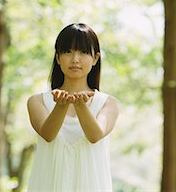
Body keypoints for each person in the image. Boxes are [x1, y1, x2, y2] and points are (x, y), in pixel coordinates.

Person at [26, 23, 120, 191]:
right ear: (57, 57)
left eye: (83, 52)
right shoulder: (37, 101)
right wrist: (61, 107)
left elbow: (95, 135)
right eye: (68, 51)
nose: (75, 59)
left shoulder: (108, 104)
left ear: (95, 59)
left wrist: (81, 107)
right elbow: (48, 134)